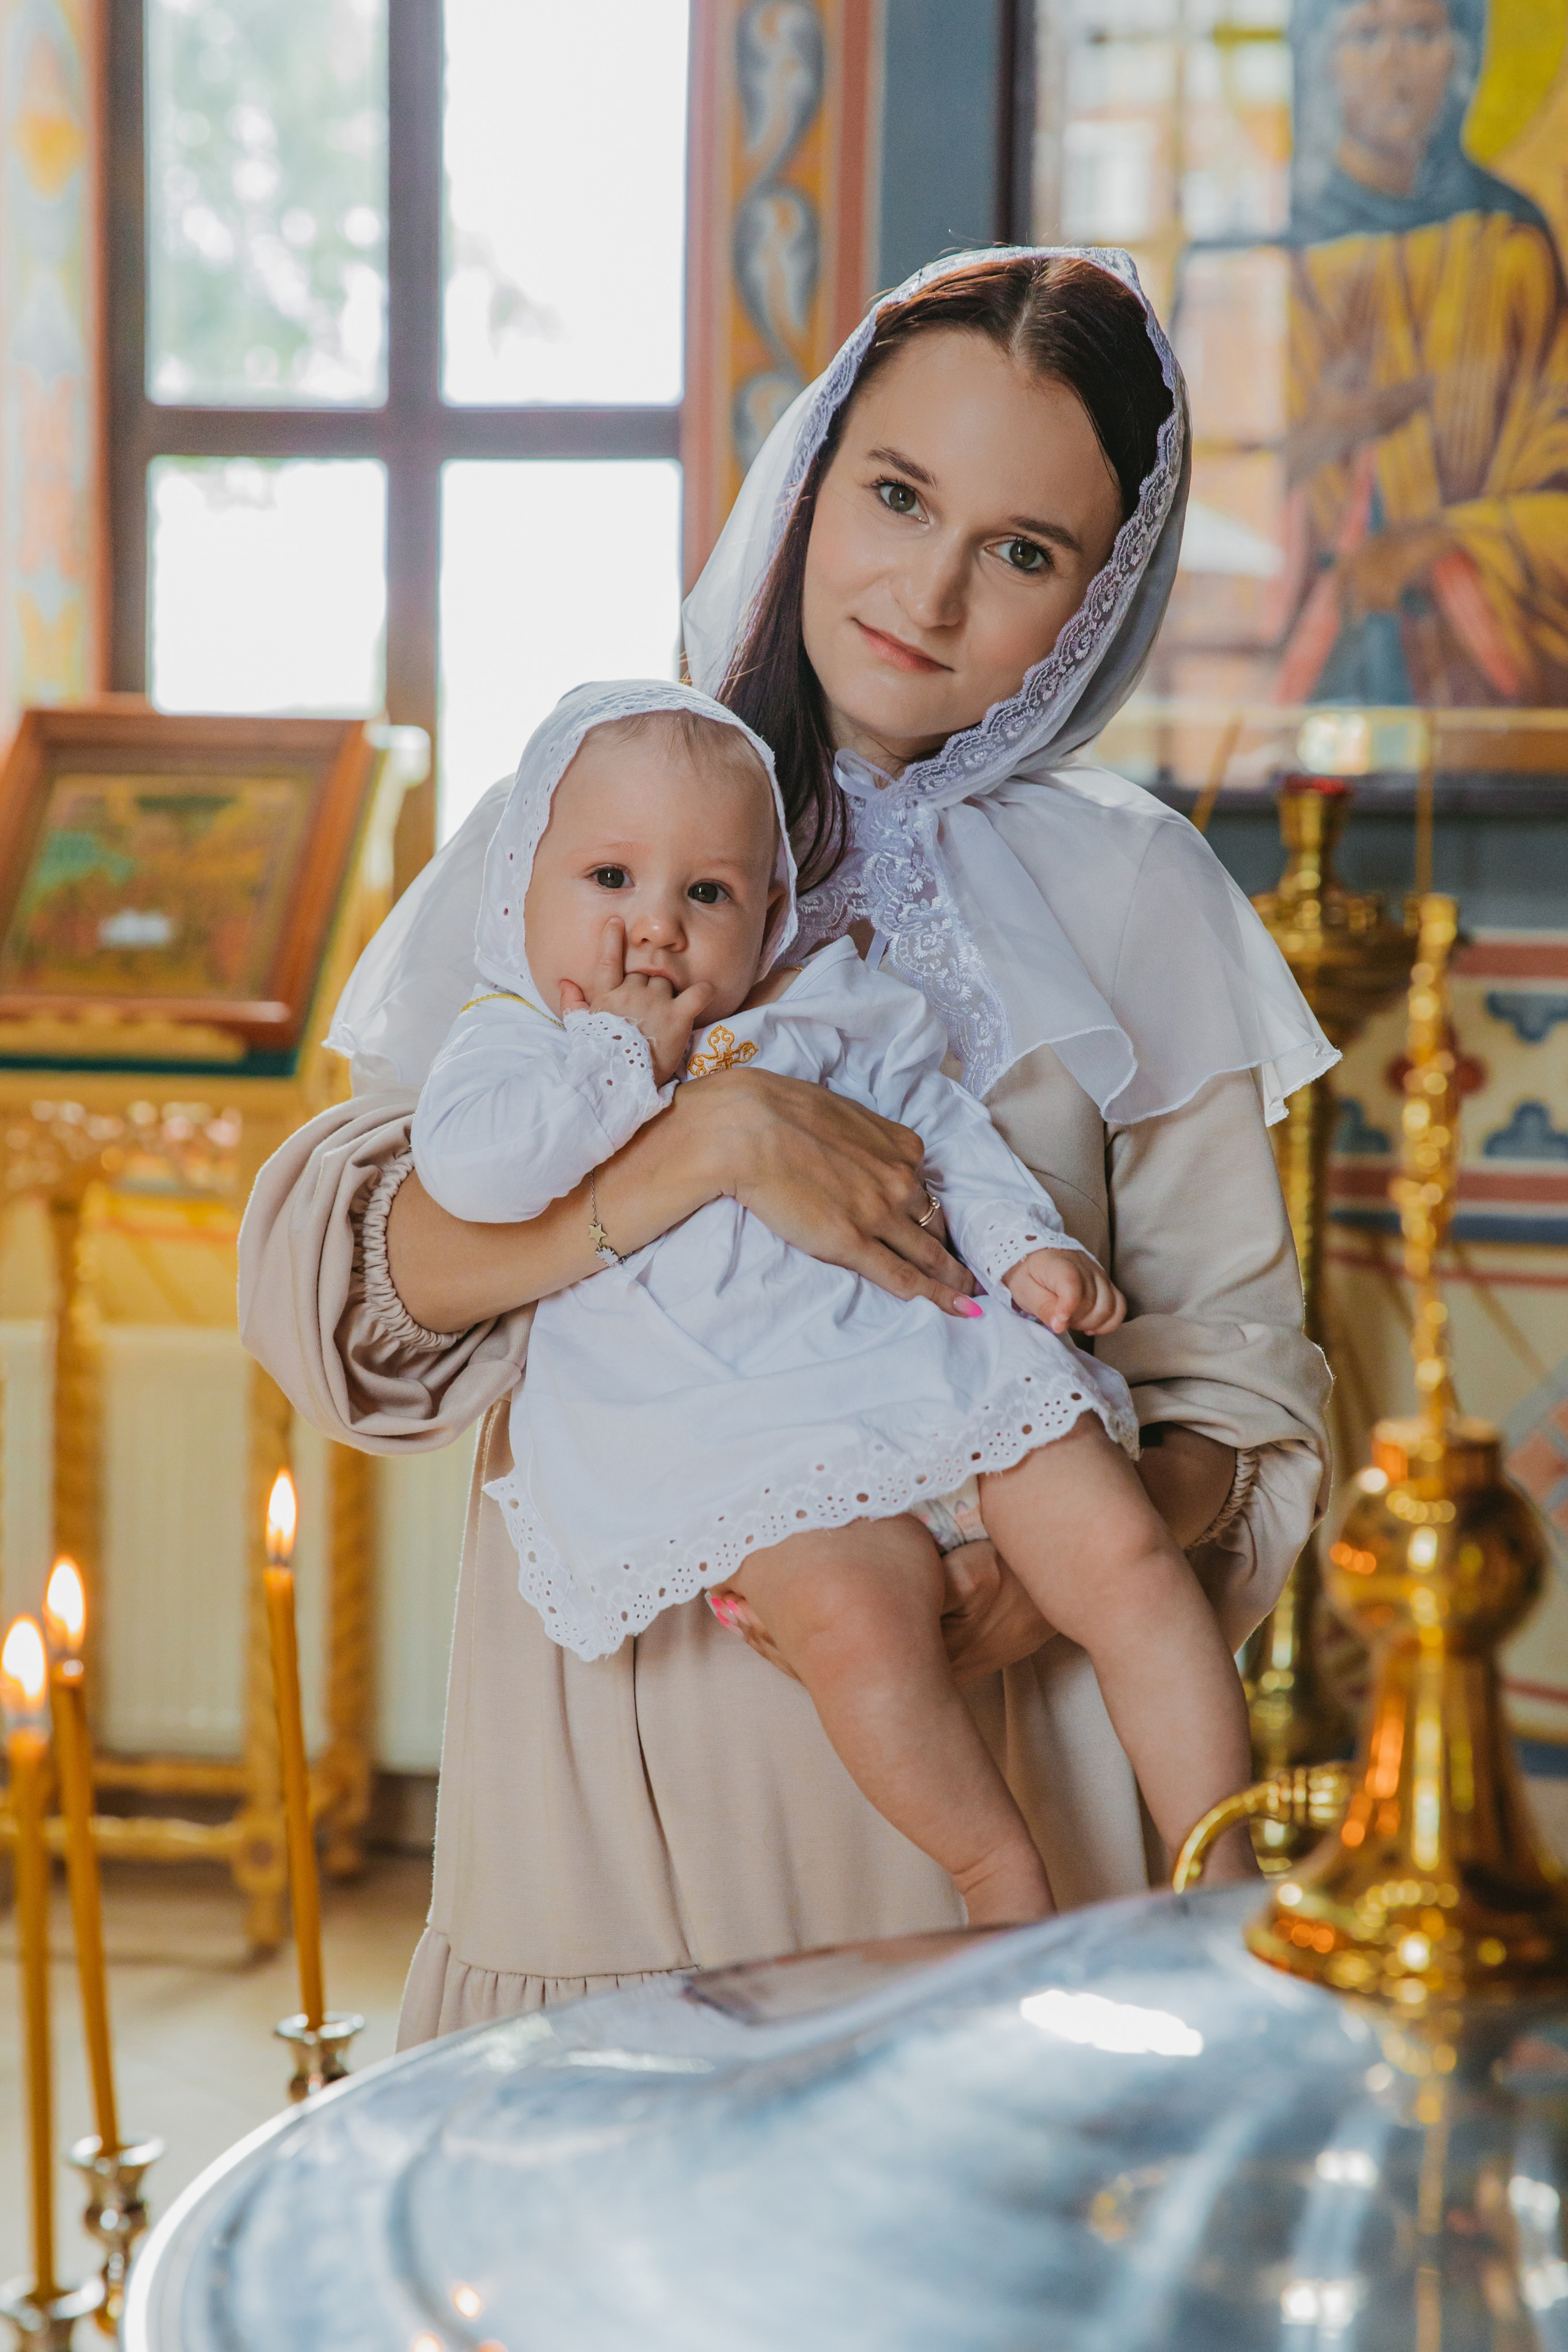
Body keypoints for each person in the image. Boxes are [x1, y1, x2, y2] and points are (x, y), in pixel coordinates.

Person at [239, 246, 1333, 2046]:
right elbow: (360, 1283)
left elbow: (1240, 1382)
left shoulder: (1134, 890)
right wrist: (705, 1147)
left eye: (1023, 550)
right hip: (619, 1796)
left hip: (1012, 1781)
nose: (927, 588)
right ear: (812, 472)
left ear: (1099, 598)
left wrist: (1053, 1565)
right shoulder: (602, 819)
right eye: (896, 493)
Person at [412, 678, 1257, 1927]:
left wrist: (1022, 1246)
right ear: (518, 889)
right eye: (607, 880)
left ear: (767, 909)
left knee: (1123, 1552)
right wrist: (622, 1058)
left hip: (938, 1357)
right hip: (740, 1428)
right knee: (857, 1629)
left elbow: (945, 1136)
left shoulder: (822, 1007)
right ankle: (994, 1877)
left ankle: (1221, 1869)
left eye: (705, 893)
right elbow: (476, 1176)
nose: (654, 929)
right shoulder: (517, 1047)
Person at [1281, 0, 1568, 705]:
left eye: (1420, 33)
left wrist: (1444, 540)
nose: (1393, 63)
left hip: (1469, 657)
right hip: (1322, 649)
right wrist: (1318, 443)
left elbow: (1555, 484)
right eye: (1366, 35)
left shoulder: (1510, 249)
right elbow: (1218, 487)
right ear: (1320, 60)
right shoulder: (1280, 258)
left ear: (1462, 58)